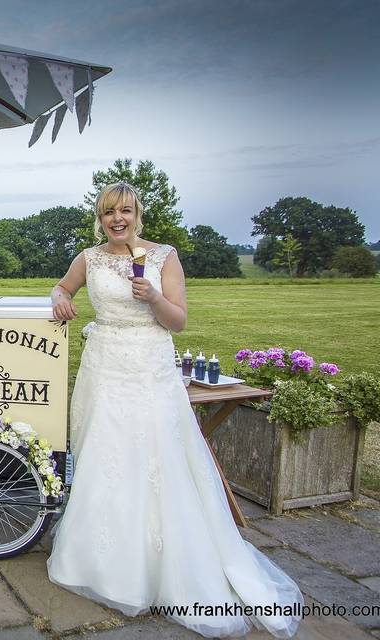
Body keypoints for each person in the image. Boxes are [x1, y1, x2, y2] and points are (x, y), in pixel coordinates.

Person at [45, 182, 302, 637]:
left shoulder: (164, 256)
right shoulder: (90, 257)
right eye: (108, 213)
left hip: (150, 367)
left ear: (137, 213)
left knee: (155, 457)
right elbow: (62, 287)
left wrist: (155, 298)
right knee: (106, 455)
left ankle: (165, 564)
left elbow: (178, 320)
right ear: (100, 218)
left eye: (124, 211)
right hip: (104, 365)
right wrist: (60, 297)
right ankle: (101, 559)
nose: (116, 219)